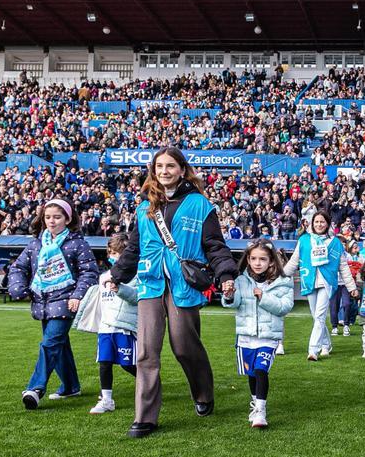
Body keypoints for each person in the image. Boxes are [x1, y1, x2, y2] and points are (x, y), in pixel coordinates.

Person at [106, 147, 238, 438]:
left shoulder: (200, 205)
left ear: (182, 169)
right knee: (146, 353)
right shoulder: (144, 208)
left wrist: (226, 274)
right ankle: (145, 417)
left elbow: (215, 245)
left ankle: (203, 393)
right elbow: (134, 248)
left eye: (170, 166)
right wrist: (116, 275)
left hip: (184, 284)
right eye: (159, 166)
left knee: (184, 347)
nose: (164, 171)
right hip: (150, 283)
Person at [10, 199, 98, 410]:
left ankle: (35, 388)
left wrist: (77, 295)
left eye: (57, 217)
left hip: (66, 302)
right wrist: (17, 287)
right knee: (59, 345)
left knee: (49, 343)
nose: (51, 221)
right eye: (47, 217)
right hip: (42, 302)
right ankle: (70, 386)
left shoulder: (78, 243)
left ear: (68, 219)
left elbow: (89, 272)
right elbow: (18, 268)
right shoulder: (35, 244)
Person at [222, 239, 293, 428]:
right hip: (246, 336)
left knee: (261, 369)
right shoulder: (240, 279)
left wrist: (263, 297)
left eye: (262, 259)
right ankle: (255, 403)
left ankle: (261, 410)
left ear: (271, 261)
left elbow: (285, 307)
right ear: (248, 259)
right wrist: (228, 295)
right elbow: (234, 302)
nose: (257, 263)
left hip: (268, 337)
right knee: (252, 373)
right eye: (253, 258)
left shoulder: (283, 281)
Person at [73, 233, 138, 415]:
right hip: (106, 327)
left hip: (125, 327)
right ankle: (107, 399)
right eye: (111, 252)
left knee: (127, 364)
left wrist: (121, 289)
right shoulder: (104, 276)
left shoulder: (136, 274)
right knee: (104, 362)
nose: (113, 256)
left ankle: (149, 383)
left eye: (117, 253)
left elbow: (137, 298)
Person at [283, 210, 358, 361]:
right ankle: (326, 344)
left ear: (327, 224)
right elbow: (294, 261)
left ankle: (313, 350)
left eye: (322, 222)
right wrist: (280, 276)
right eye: (316, 221)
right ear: (312, 223)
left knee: (319, 315)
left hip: (327, 282)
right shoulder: (304, 240)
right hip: (308, 281)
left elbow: (343, 266)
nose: (319, 224)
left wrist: (352, 287)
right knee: (316, 317)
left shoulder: (335, 243)